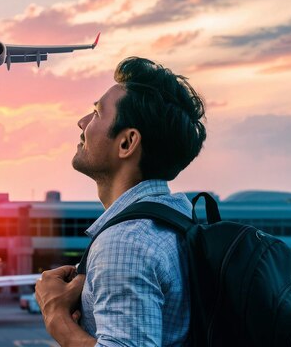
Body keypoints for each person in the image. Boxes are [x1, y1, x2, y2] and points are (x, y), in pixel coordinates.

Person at [35, 57, 207, 347]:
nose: (82, 122)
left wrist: (56, 318)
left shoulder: (125, 242)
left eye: (97, 113)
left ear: (127, 143)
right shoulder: (176, 221)